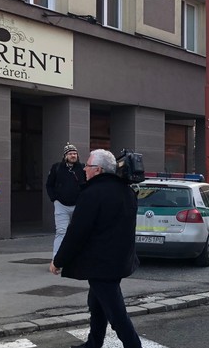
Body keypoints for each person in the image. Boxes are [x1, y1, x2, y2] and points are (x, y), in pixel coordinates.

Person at [50, 149, 141, 348]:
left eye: (88, 166)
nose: (84, 170)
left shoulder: (92, 194)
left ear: (98, 170)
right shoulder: (126, 190)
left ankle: (134, 345)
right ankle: (94, 342)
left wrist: (58, 261)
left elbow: (77, 233)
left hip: (100, 263)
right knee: (97, 303)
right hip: (119, 260)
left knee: (116, 312)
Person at [46, 143, 87, 257]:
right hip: (61, 205)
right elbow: (49, 185)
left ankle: (76, 257)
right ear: (65, 156)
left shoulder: (82, 168)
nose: (73, 155)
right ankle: (56, 258)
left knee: (78, 231)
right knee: (61, 232)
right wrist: (54, 199)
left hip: (78, 205)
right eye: (70, 153)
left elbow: (87, 185)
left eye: (74, 153)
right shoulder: (57, 167)